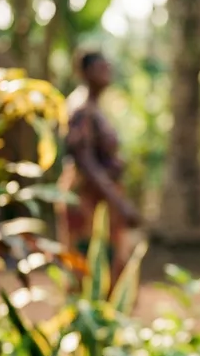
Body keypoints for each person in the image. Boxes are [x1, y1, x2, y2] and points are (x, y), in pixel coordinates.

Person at [58, 49, 141, 283]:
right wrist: (118, 202)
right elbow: (86, 163)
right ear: (84, 73)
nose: (107, 73)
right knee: (89, 262)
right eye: (100, 68)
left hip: (99, 199)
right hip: (87, 200)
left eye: (107, 67)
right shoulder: (81, 108)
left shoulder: (93, 106)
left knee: (104, 263)